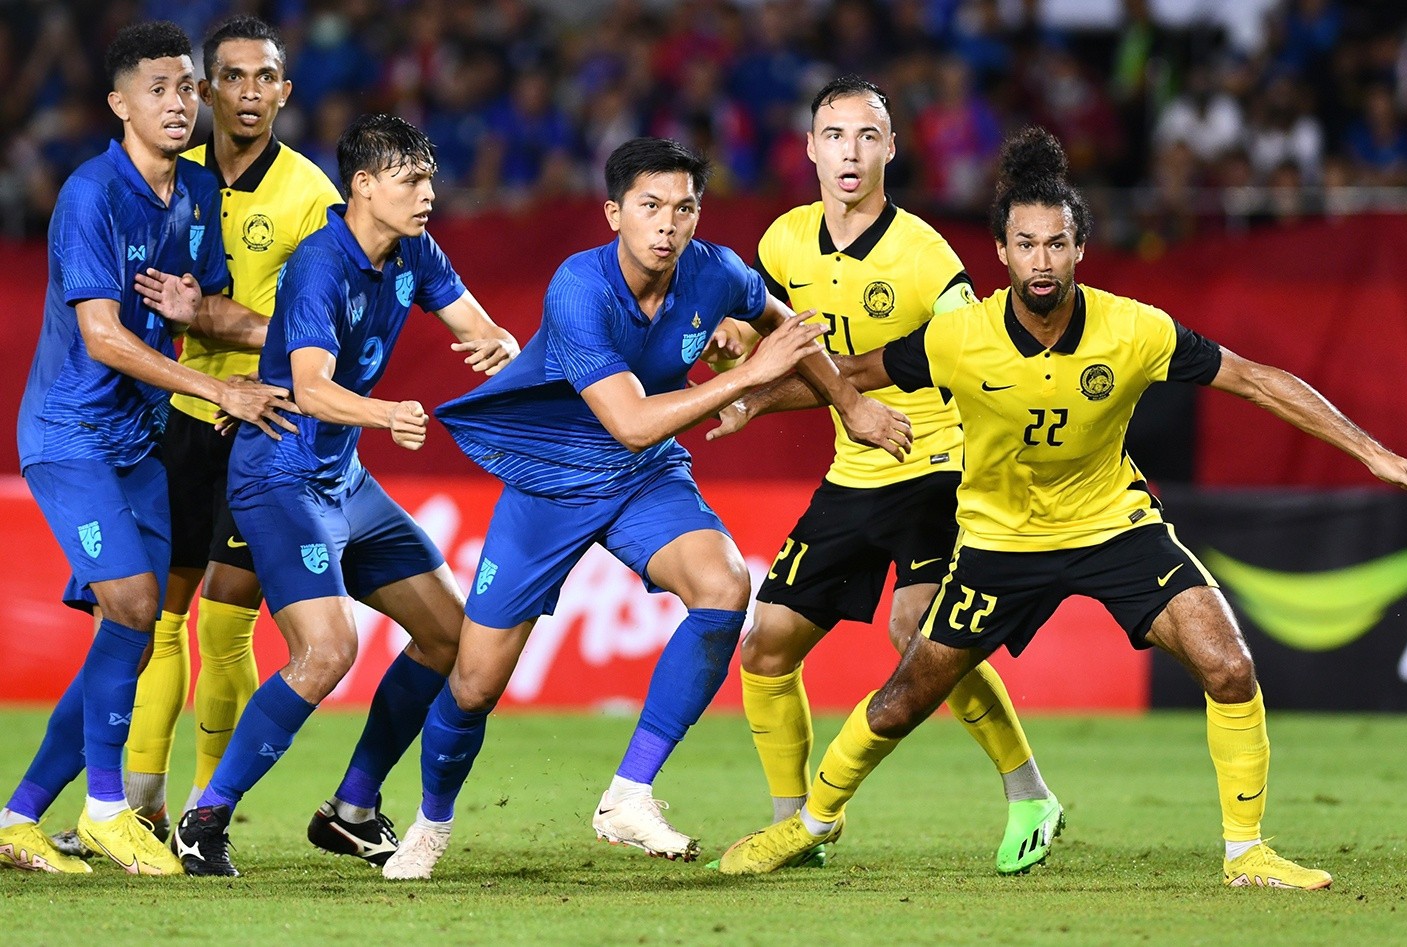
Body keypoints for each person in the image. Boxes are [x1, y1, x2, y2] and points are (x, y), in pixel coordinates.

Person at [717, 126, 1407, 889]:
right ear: (1002, 253)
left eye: (1057, 245)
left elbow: (1258, 379)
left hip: (1113, 527)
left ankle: (1247, 853)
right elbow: (850, 375)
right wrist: (752, 396)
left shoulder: (1133, 329)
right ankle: (808, 824)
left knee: (1229, 665)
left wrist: (1374, 452)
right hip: (1000, 543)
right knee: (901, 701)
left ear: (1080, 250)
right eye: (1027, 245)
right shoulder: (960, 335)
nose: (1042, 261)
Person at [380, 136, 909, 881]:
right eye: (650, 206)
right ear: (614, 213)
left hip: (643, 476)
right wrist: (746, 377)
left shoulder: (716, 271)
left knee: (725, 586)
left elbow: (786, 326)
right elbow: (628, 420)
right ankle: (430, 826)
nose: (667, 223)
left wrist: (851, 405)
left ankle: (628, 794)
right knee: (473, 684)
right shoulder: (578, 287)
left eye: (684, 208)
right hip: (553, 480)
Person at [704, 76, 1060, 874]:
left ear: (892, 149)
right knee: (765, 648)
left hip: (938, 464)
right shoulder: (783, 243)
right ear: (809, 148)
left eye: (868, 136)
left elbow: (980, 357)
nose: (851, 152)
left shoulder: (926, 257)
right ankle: (792, 826)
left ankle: (1030, 792)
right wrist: (740, 357)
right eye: (835, 135)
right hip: (855, 472)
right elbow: (786, 352)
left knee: (918, 632)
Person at [169, 113, 520, 877]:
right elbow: (310, 387)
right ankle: (205, 817)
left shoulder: (414, 248)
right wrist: (387, 414)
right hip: (278, 475)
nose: (428, 194)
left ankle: (351, 809)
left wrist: (503, 344)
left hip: (342, 476)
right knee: (327, 650)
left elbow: (477, 325)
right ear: (363, 185)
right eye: (410, 180)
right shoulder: (319, 266)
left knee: (451, 638)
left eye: (429, 179)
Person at [0, 21, 294, 876]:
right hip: (71, 436)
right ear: (119, 104)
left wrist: (279, 340)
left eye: (185, 87)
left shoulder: (197, 193)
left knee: (132, 626)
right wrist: (220, 389)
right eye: (157, 89)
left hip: (139, 443)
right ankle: (106, 811)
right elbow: (102, 335)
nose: (177, 102)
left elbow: (206, 308)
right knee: (132, 606)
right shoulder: (91, 195)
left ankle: (18, 817)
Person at [113, 14, 342, 844]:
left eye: (265, 77)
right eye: (234, 77)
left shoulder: (313, 197)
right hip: (178, 417)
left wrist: (217, 318)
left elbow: (328, 330)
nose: (250, 92)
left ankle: (205, 811)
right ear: (206, 91)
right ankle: (137, 806)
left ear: (285, 90)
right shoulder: (171, 176)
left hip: (267, 427)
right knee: (158, 619)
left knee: (223, 622)